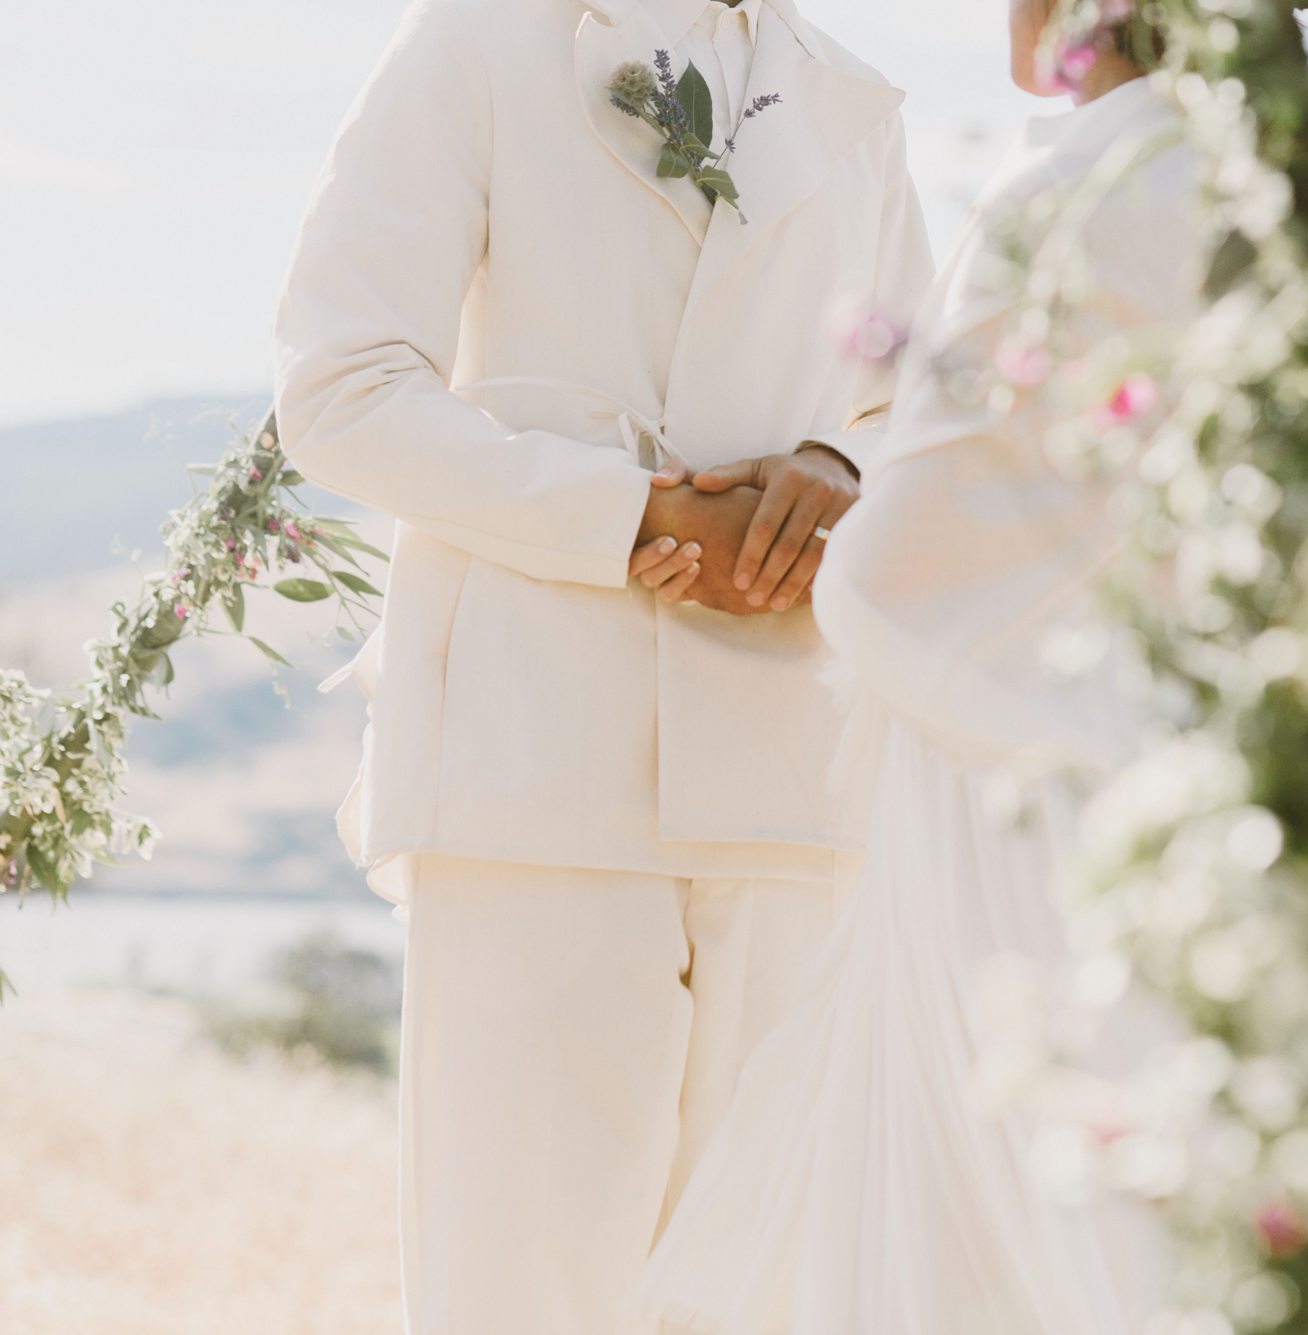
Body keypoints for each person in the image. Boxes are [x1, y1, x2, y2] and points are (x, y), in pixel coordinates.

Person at [270, 0, 933, 1329]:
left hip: (789, 779)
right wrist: (625, 514)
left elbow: (916, 406)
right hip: (533, 757)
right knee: (519, 1286)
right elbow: (339, 389)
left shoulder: (855, 104)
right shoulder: (474, 46)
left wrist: (839, 472)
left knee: (771, 1285)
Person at [635, 3, 1200, 1332]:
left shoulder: (1062, 187)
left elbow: (894, 580)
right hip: (1183, 787)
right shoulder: (1257, 198)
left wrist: (760, 541)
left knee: (966, 1227)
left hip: (998, 807)